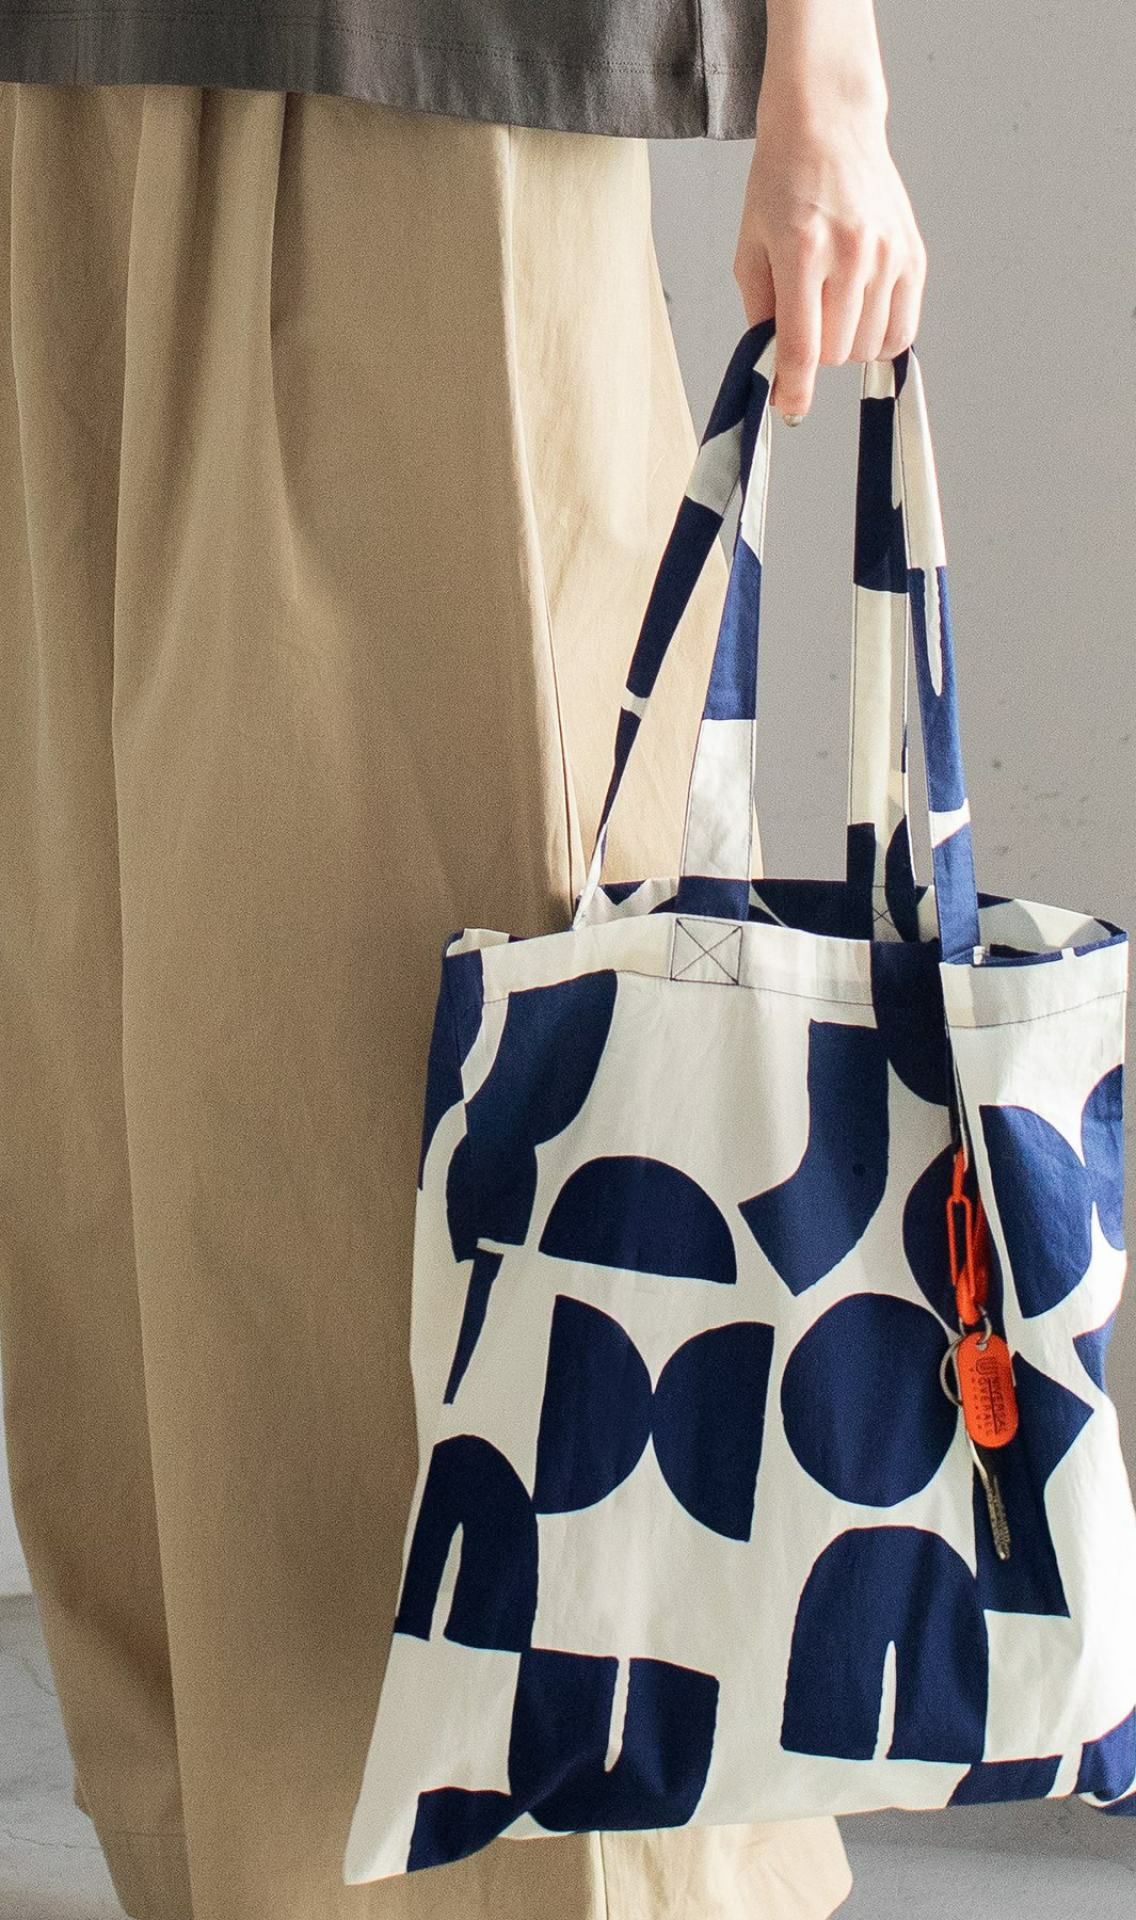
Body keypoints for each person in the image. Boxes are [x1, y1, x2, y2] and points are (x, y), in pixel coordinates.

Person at [0, 1, 927, 1916]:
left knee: (490, 1083)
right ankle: (239, 1872)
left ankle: (578, 1870)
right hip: (44, 87)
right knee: (110, 1112)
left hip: (425, 75)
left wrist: (829, 73)